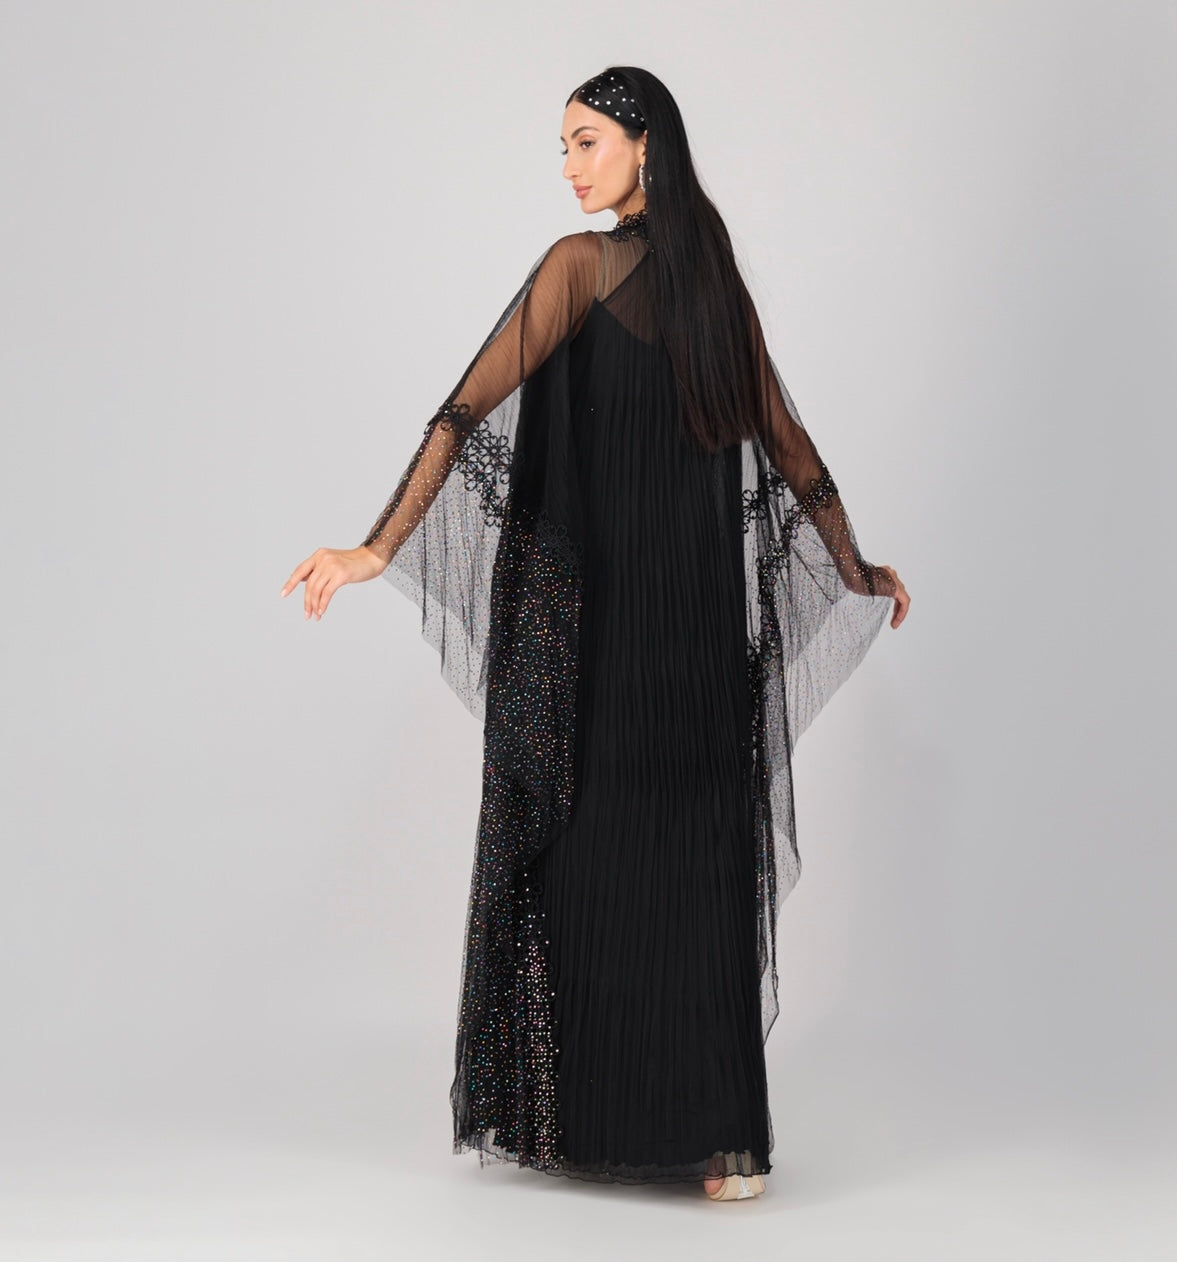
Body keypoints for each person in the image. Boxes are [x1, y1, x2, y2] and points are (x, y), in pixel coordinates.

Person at [282, 66, 910, 1201]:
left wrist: (377, 547)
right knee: (690, 874)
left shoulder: (586, 268)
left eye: (585, 142)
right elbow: (793, 452)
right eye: (563, 147)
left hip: (617, 641)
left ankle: (629, 1124)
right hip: (698, 642)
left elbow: (462, 411)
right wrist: (852, 559)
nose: (569, 167)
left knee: (604, 866)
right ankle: (724, 1148)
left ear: (644, 145)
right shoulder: (712, 293)